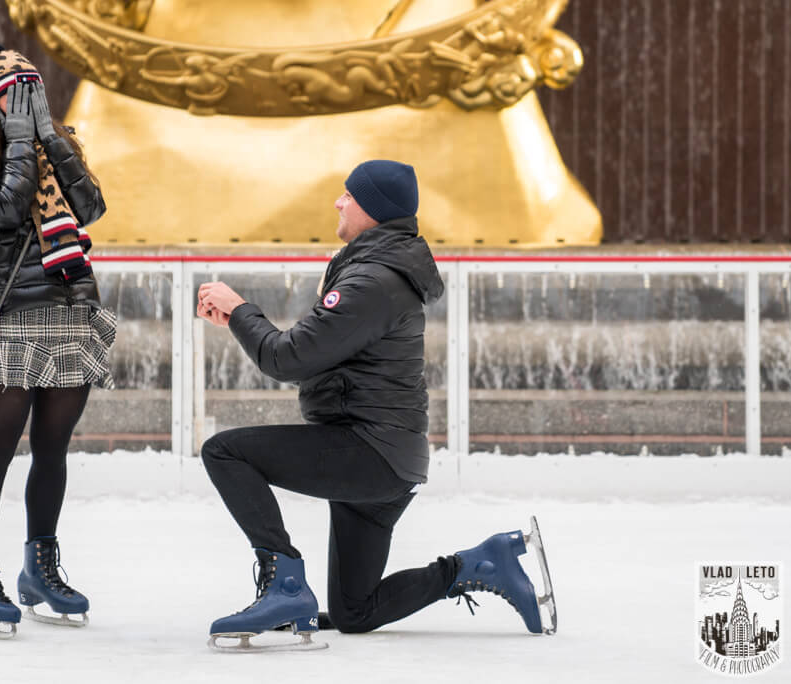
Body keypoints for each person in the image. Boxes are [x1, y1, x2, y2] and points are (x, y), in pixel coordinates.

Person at [197, 160, 553, 649]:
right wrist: (239, 323)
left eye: (349, 195)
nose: (339, 202)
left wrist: (240, 309)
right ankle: (482, 564)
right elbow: (316, 349)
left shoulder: (372, 282)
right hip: (386, 458)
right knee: (354, 611)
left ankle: (283, 584)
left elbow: (287, 357)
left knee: (225, 451)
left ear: (375, 210)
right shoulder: (376, 273)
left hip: (367, 451)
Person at [0, 44, 115, 637]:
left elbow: (90, 206)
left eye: (35, 91)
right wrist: (18, 140)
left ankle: (40, 567)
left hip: (72, 304)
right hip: (12, 313)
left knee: (53, 447)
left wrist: (49, 139)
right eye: (19, 94)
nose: (31, 103)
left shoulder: (50, 144)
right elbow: (7, 210)